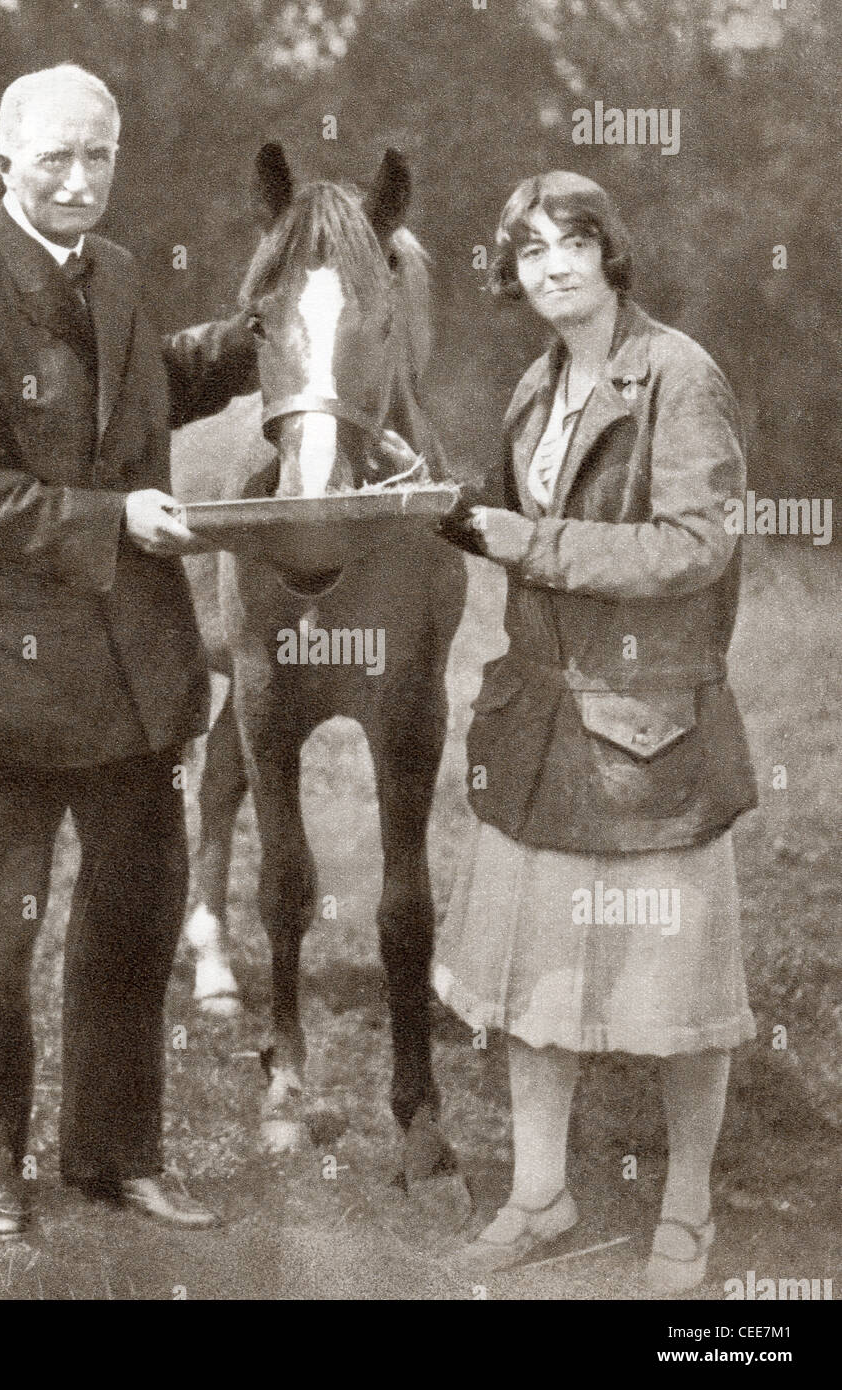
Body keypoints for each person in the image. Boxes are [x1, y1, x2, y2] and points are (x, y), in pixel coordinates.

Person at [0, 64, 257, 1236]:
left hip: (136, 675)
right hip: (9, 671)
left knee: (133, 917)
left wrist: (267, 332)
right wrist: (113, 520)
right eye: (54, 157)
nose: (80, 178)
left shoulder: (121, 276)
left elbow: (155, 388)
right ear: (5, 164)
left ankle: (116, 1154)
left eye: (98, 154)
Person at [388, 170, 759, 1292]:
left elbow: (695, 545)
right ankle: (540, 1194)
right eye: (529, 249)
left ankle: (686, 1207)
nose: (550, 266)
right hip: (542, 726)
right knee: (536, 984)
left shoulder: (677, 374)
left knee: (679, 993)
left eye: (570, 244)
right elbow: (503, 520)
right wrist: (428, 499)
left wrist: (523, 541)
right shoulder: (533, 384)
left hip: (651, 732)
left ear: (608, 255)